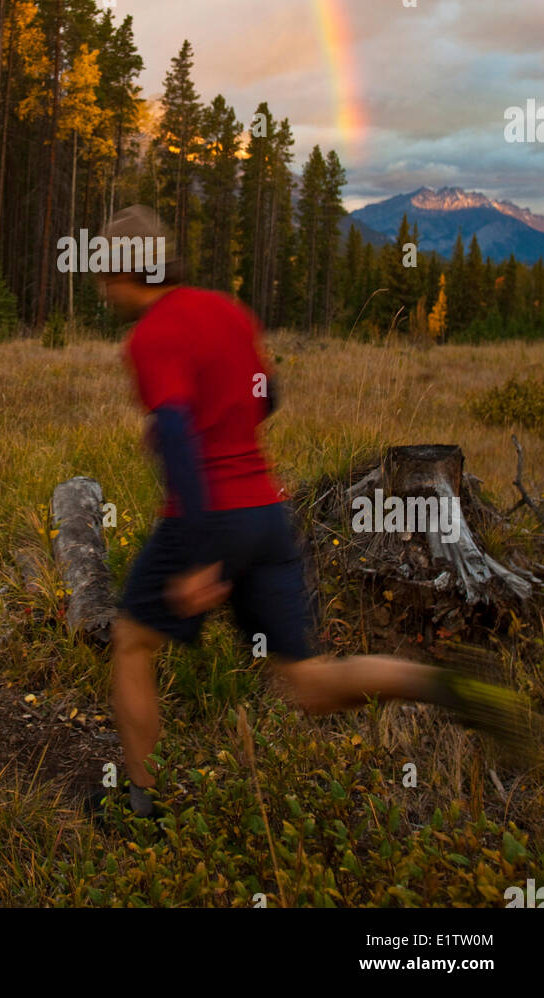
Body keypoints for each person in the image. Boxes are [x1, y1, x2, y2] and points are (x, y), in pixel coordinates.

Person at [94, 205, 538, 821]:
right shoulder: (227, 311)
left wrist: (198, 555)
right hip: (268, 517)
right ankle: (437, 684)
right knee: (308, 683)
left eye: (104, 275)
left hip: (206, 519)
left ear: (125, 274)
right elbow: (267, 394)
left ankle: (140, 802)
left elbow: (175, 435)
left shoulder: (150, 336)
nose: (102, 288)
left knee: (131, 642)